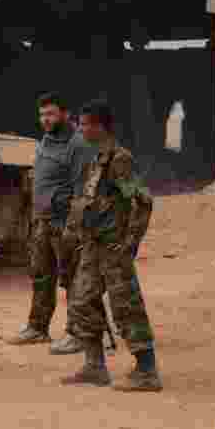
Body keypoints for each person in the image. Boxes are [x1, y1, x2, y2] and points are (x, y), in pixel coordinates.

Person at [62, 99, 162, 391]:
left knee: (126, 305)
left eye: (84, 124)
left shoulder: (120, 159)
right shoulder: (98, 159)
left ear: (99, 126)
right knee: (81, 301)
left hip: (113, 247)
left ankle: (147, 371)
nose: (80, 129)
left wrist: (130, 242)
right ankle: (95, 367)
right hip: (94, 245)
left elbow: (142, 201)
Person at [6, 92, 96, 355]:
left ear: (66, 114)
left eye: (51, 114)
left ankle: (77, 333)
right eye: (42, 114)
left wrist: (73, 227)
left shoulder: (78, 145)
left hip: (65, 223)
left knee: (73, 280)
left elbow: (82, 190)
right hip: (42, 222)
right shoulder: (45, 141)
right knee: (41, 275)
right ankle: (38, 327)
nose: (45, 119)